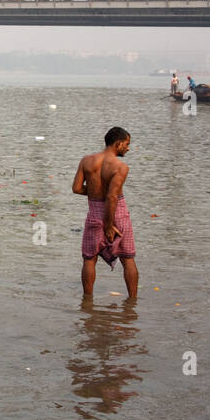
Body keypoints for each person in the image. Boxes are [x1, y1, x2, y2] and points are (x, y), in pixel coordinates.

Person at [72, 126, 138, 299]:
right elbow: (111, 197)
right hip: (117, 213)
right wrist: (109, 226)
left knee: (89, 258)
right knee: (127, 258)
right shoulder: (120, 167)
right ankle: (132, 302)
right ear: (118, 143)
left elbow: (77, 188)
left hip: (94, 212)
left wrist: (95, 192)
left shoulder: (87, 161)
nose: (128, 148)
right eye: (127, 144)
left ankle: (87, 301)